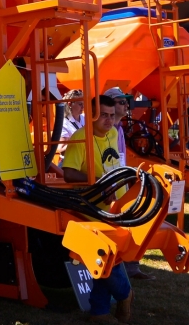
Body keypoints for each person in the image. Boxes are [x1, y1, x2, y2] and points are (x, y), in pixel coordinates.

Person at [62, 95, 133, 323]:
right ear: (90, 115)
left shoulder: (112, 134)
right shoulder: (80, 138)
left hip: (115, 209)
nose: (109, 120)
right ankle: (125, 294)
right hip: (92, 211)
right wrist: (98, 185)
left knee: (103, 261)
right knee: (109, 258)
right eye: (103, 115)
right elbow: (69, 173)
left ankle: (99, 311)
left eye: (112, 116)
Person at [103, 87, 154, 281]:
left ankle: (131, 266)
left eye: (126, 102)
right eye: (121, 102)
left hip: (120, 179)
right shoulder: (105, 129)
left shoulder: (119, 129)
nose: (126, 105)